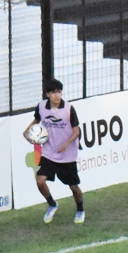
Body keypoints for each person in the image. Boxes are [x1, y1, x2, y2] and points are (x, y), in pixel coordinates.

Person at [22, 79, 85, 224]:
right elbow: (36, 121)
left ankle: (80, 210)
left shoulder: (68, 109)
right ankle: (52, 204)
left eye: (59, 92)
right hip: (49, 152)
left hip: (67, 155)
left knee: (73, 186)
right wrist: (27, 133)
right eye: (54, 92)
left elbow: (76, 130)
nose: (57, 96)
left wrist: (67, 143)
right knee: (40, 181)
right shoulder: (41, 107)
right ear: (48, 94)